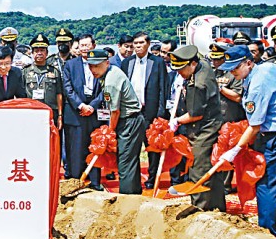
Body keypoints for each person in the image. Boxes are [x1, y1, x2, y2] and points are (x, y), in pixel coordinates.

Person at [216, 46, 276, 239]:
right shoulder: (269, 68)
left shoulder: (256, 86)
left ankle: (267, 235)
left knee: (267, 184)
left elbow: (254, 126)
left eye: (235, 68)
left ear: (248, 62)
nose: (232, 73)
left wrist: (235, 150)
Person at [169, 45, 225, 211]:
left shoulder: (197, 84)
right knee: (211, 170)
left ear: (192, 64)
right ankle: (217, 208)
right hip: (212, 122)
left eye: (182, 69)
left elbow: (195, 115)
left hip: (204, 128)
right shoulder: (203, 65)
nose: (179, 73)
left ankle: (200, 208)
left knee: (199, 168)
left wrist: (177, 120)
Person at [88, 48, 144, 194]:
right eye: (90, 65)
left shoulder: (111, 81)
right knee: (130, 161)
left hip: (129, 121)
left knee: (125, 163)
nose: (93, 69)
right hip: (126, 120)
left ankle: (126, 199)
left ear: (106, 63)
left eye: (97, 65)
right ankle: (135, 194)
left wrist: (109, 132)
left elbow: (115, 111)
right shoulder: (109, 72)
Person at [120, 32, 170, 184]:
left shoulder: (157, 62)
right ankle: (132, 177)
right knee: (131, 146)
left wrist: (160, 113)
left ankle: (152, 177)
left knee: (152, 148)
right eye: (135, 43)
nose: (138, 46)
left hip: (150, 111)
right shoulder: (127, 63)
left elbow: (163, 88)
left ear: (148, 44)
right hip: (131, 112)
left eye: (141, 43)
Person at [63, 38, 105, 190]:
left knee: (94, 147)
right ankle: (75, 182)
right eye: (82, 45)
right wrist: (81, 105)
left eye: (87, 45)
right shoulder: (70, 65)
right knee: (75, 149)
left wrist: (92, 106)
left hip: (94, 112)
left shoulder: (102, 64)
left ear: (94, 45)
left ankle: (95, 182)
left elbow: (104, 88)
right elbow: (67, 88)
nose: (85, 48)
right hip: (76, 112)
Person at [23, 33, 63, 130]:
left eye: (42, 50)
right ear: (32, 53)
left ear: (47, 52)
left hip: (51, 112)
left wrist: (60, 115)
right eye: (36, 51)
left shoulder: (54, 71)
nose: (39, 53)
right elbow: (21, 94)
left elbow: (59, 94)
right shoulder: (25, 71)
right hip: (32, 112)